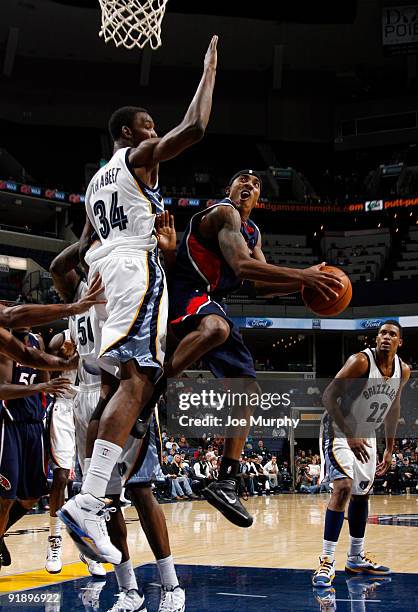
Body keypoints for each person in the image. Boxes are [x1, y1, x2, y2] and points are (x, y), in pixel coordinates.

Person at [59, 35, 218, 565]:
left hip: (106, 268)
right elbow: (194, 129)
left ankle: (92, 496)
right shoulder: (135, 157)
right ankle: (87, 502)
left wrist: (147, 248)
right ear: (127, 134)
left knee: (116, 382)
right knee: (138, 377)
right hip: (131, 268)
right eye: (148, 126)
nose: (156, 135)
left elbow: (80, 251)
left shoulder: (94, 184)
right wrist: (209, 68)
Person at [161, 169, 343, 527]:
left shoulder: (252, 231)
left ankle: (226, 480)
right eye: (241, 179)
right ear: (228, 188)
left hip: (209, 301)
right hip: (183, 292)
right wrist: (303, 276)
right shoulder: (224, 213)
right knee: (216, 327)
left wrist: (302, 284)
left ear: (260, 197)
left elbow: (258, 281)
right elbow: (242, 265)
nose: (248, 185)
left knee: (247, 389)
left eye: (256, 183)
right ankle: (157, 384)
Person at [312, 320, 410, 588]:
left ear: (400, 342)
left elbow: (393, 408)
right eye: (382, 333)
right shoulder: (360, 362)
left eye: (392, 334)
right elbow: (329, 396)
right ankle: (326, 560)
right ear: (376, 339)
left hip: (367, 432)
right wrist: (350, 434)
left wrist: (389, 448)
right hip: (339, 428)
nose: (386, 338)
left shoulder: (403, 370)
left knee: (361, 494)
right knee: (342, 487)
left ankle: (355, 558)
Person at [0, 329, 71, 569]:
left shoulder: (36, 340)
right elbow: (3, 390)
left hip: (34, 424)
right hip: (10, 424)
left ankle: (0, 535)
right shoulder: (5, 343)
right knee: (5, 497)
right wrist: (44, 385)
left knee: (31, 497)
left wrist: (52, 369)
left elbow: (44, 381)